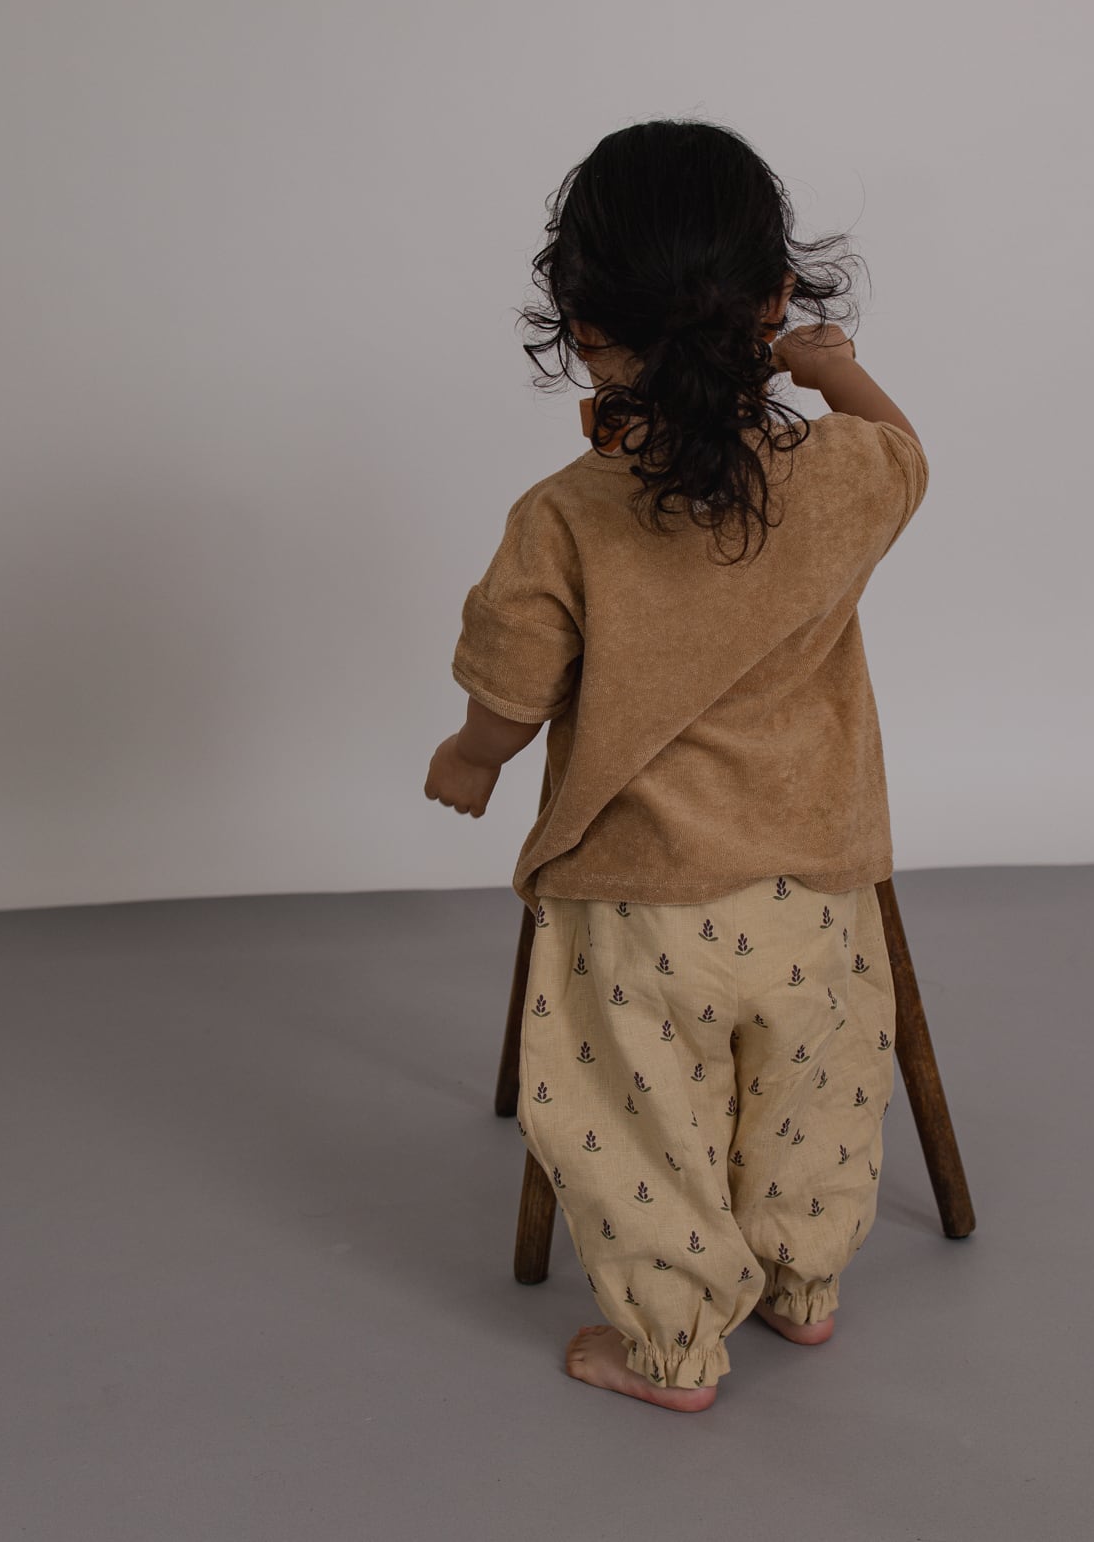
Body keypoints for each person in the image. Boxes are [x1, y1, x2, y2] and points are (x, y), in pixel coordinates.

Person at [425, 119, 929, 1412]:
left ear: (584, 327)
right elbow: (906, 454)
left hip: (640, 902)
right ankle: (806, 1286)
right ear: (774, 300)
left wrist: (472, 758)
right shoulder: (840, 477)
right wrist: (835, 371)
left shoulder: (564, 517)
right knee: (816, 1091)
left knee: (636, 1121)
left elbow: (511, 692)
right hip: (817, 886)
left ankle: (671, 1346)